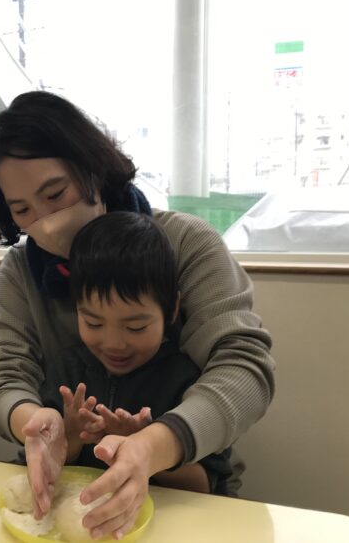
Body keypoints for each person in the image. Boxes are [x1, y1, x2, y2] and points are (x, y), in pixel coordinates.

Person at [0, 91, 274, 540]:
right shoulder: (22, 271)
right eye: (22, 210)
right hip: (69, 490)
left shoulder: (184, 244)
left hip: (186, 503)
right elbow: (4, 374)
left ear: (93, 168)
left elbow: (244, 368)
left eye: (55, 194)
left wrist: (154, 445)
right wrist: (34, 422)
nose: (45, 220)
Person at [61, 211, 232, 501]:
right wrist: (70, 437)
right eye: (93, 323)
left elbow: (204, 486)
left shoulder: (187, 381)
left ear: (172, 310)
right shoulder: (68, 371)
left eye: (136, 327)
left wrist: (149, 448)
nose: (114, 344)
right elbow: (43, 466)